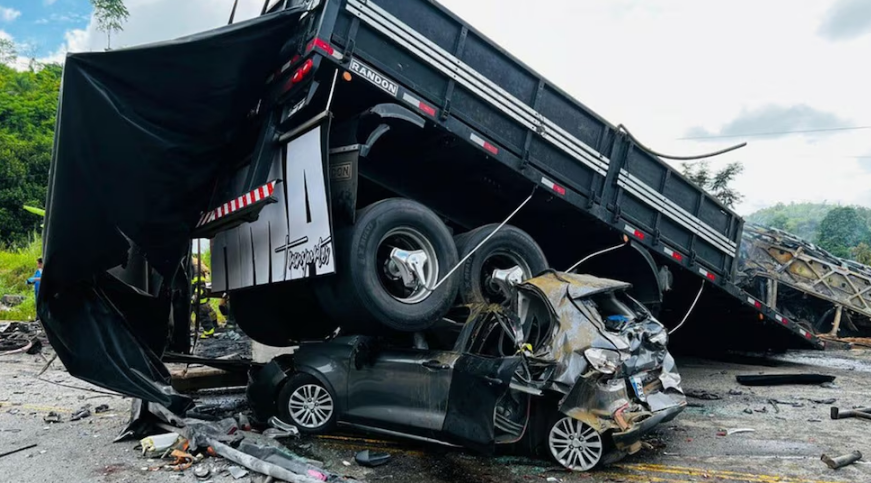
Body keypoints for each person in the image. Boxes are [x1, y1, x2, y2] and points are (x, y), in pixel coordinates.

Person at [191, 258, 217, 339]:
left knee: (203, 317)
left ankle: (209, 332)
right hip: (200, 300)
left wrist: (195, 297)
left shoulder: (196, 270)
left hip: (199, 301)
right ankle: (211, 328)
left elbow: (199, 286)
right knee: (204, 315)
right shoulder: (197, 269)